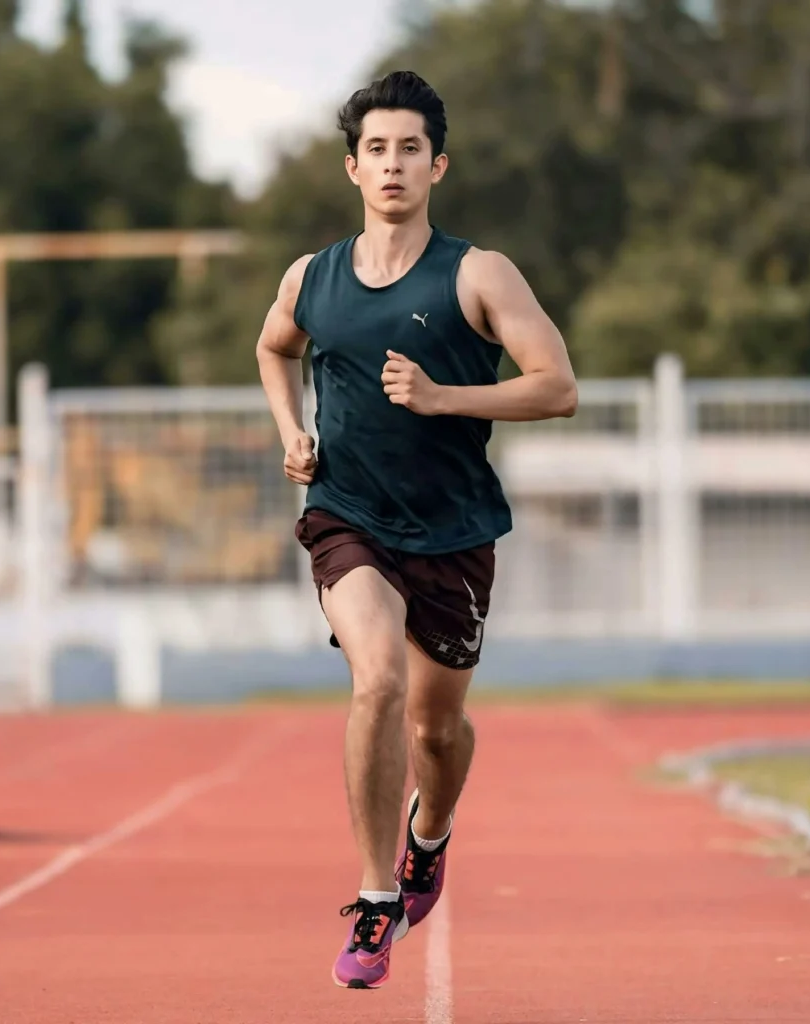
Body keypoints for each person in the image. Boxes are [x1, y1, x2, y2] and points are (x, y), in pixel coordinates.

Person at [256, 70, 577, 990]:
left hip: (452, 531)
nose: (392, 164)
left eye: (410, 149)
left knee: (437, 732)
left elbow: (557, 387)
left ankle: (428, 834)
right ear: (352, 168)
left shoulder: (479, 273)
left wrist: (444, 398)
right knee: (378, 682)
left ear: (437, 165)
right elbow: (273, 347)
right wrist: (292, 434)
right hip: (346, 516)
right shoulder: (311, 277)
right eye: (376, 149)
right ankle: (374, 898)